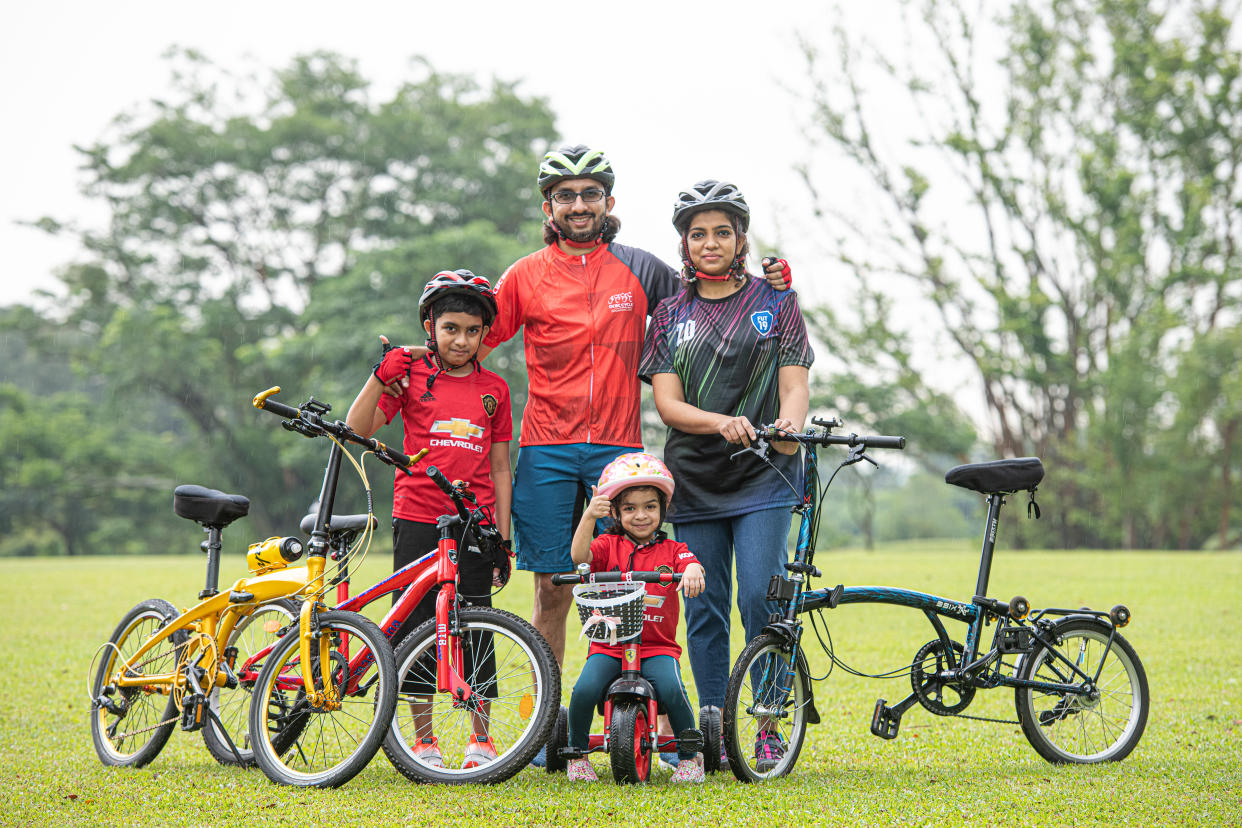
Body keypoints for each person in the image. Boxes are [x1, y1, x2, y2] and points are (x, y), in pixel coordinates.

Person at [472, 145, 793, 670]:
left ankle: (635, 719)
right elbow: (469, 350)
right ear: (547, 208)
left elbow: (714, 288)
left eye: (590, 195)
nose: (579, 205)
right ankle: (549, 726)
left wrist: (775, 285)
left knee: (627, 586)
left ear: (609, 201)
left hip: (618, 448)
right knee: (553, 588)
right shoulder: (524, 275)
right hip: (545, 448)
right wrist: (415, 365)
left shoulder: (642, 267)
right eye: (565, 196)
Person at [638, 180, 813, 770]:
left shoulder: (778, 301)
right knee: (704, 605)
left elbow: (795, 383)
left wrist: (787, 423)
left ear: (740, 238)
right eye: (697, 234)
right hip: (694, 480)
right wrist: (723, 422)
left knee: (762, 597)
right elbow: (669, 405)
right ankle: (713, 726)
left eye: (721, 232)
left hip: (765, 475)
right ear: (683, 244)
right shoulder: (668, 314)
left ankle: (767, 723)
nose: (709, 243)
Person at [344, 269, 513, 771]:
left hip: (474, 522)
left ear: (485, 334)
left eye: (472, 330)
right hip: (417, 516)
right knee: (418, 627)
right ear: (430, 326)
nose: (461, 340)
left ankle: (481, 740)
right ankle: (423, 739)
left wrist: (503, 536)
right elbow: (356, 430)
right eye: (450, 329)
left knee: (475, 624)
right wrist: (379, 378)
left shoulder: (496, 390)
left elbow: (501, 465)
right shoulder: (409, 377)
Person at [563, 452, 707, 783]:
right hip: (609, 645)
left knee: (672, 689)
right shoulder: (605, 544)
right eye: (630, 508)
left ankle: (689, 756)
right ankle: (576, 755)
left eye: (649, 507)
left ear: (662, 509)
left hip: (657, 646)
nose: (640, 516)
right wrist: (588, 516)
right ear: (614, 511)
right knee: (584, 690)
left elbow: (690, 562)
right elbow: (578, 557)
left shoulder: (673, 550)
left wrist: (694, 571)